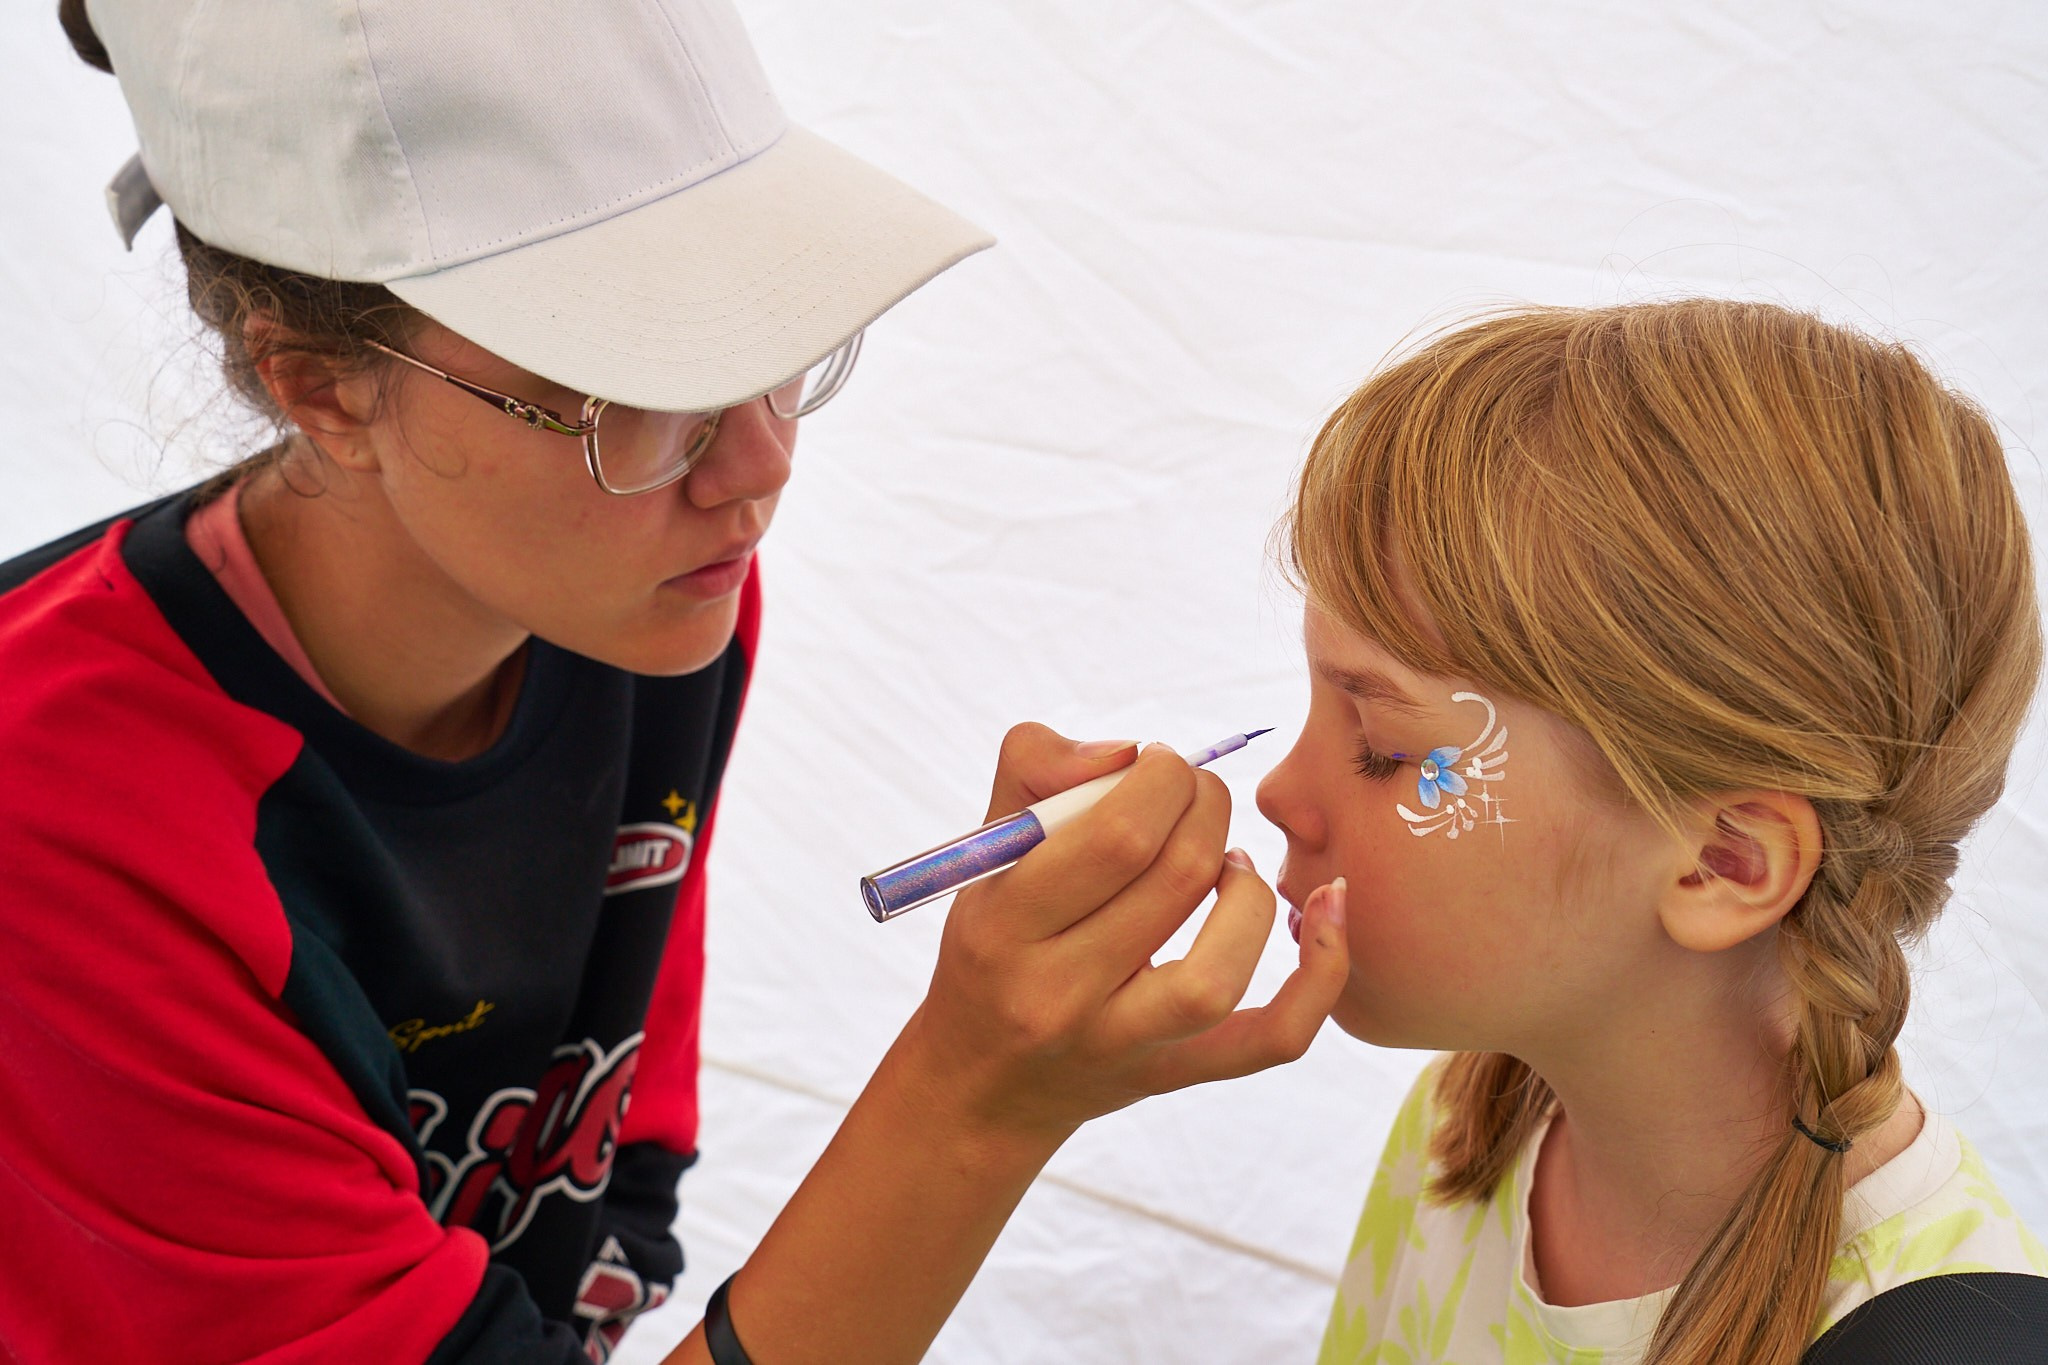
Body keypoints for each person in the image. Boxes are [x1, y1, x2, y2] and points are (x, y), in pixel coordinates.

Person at [0, 3, 1350, 1362]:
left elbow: (613, 1171)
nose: (756, 468)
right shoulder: (62, 829)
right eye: (634, 388)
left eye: (776, 338)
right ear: (326, 391)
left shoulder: (635, 604)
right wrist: (977, 1095)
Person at [1253, 299, 2048, 1364]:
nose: (1275, 795)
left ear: (1726, 862)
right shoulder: (1469, 1128)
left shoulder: (1937, 1341)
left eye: (1385, 751)